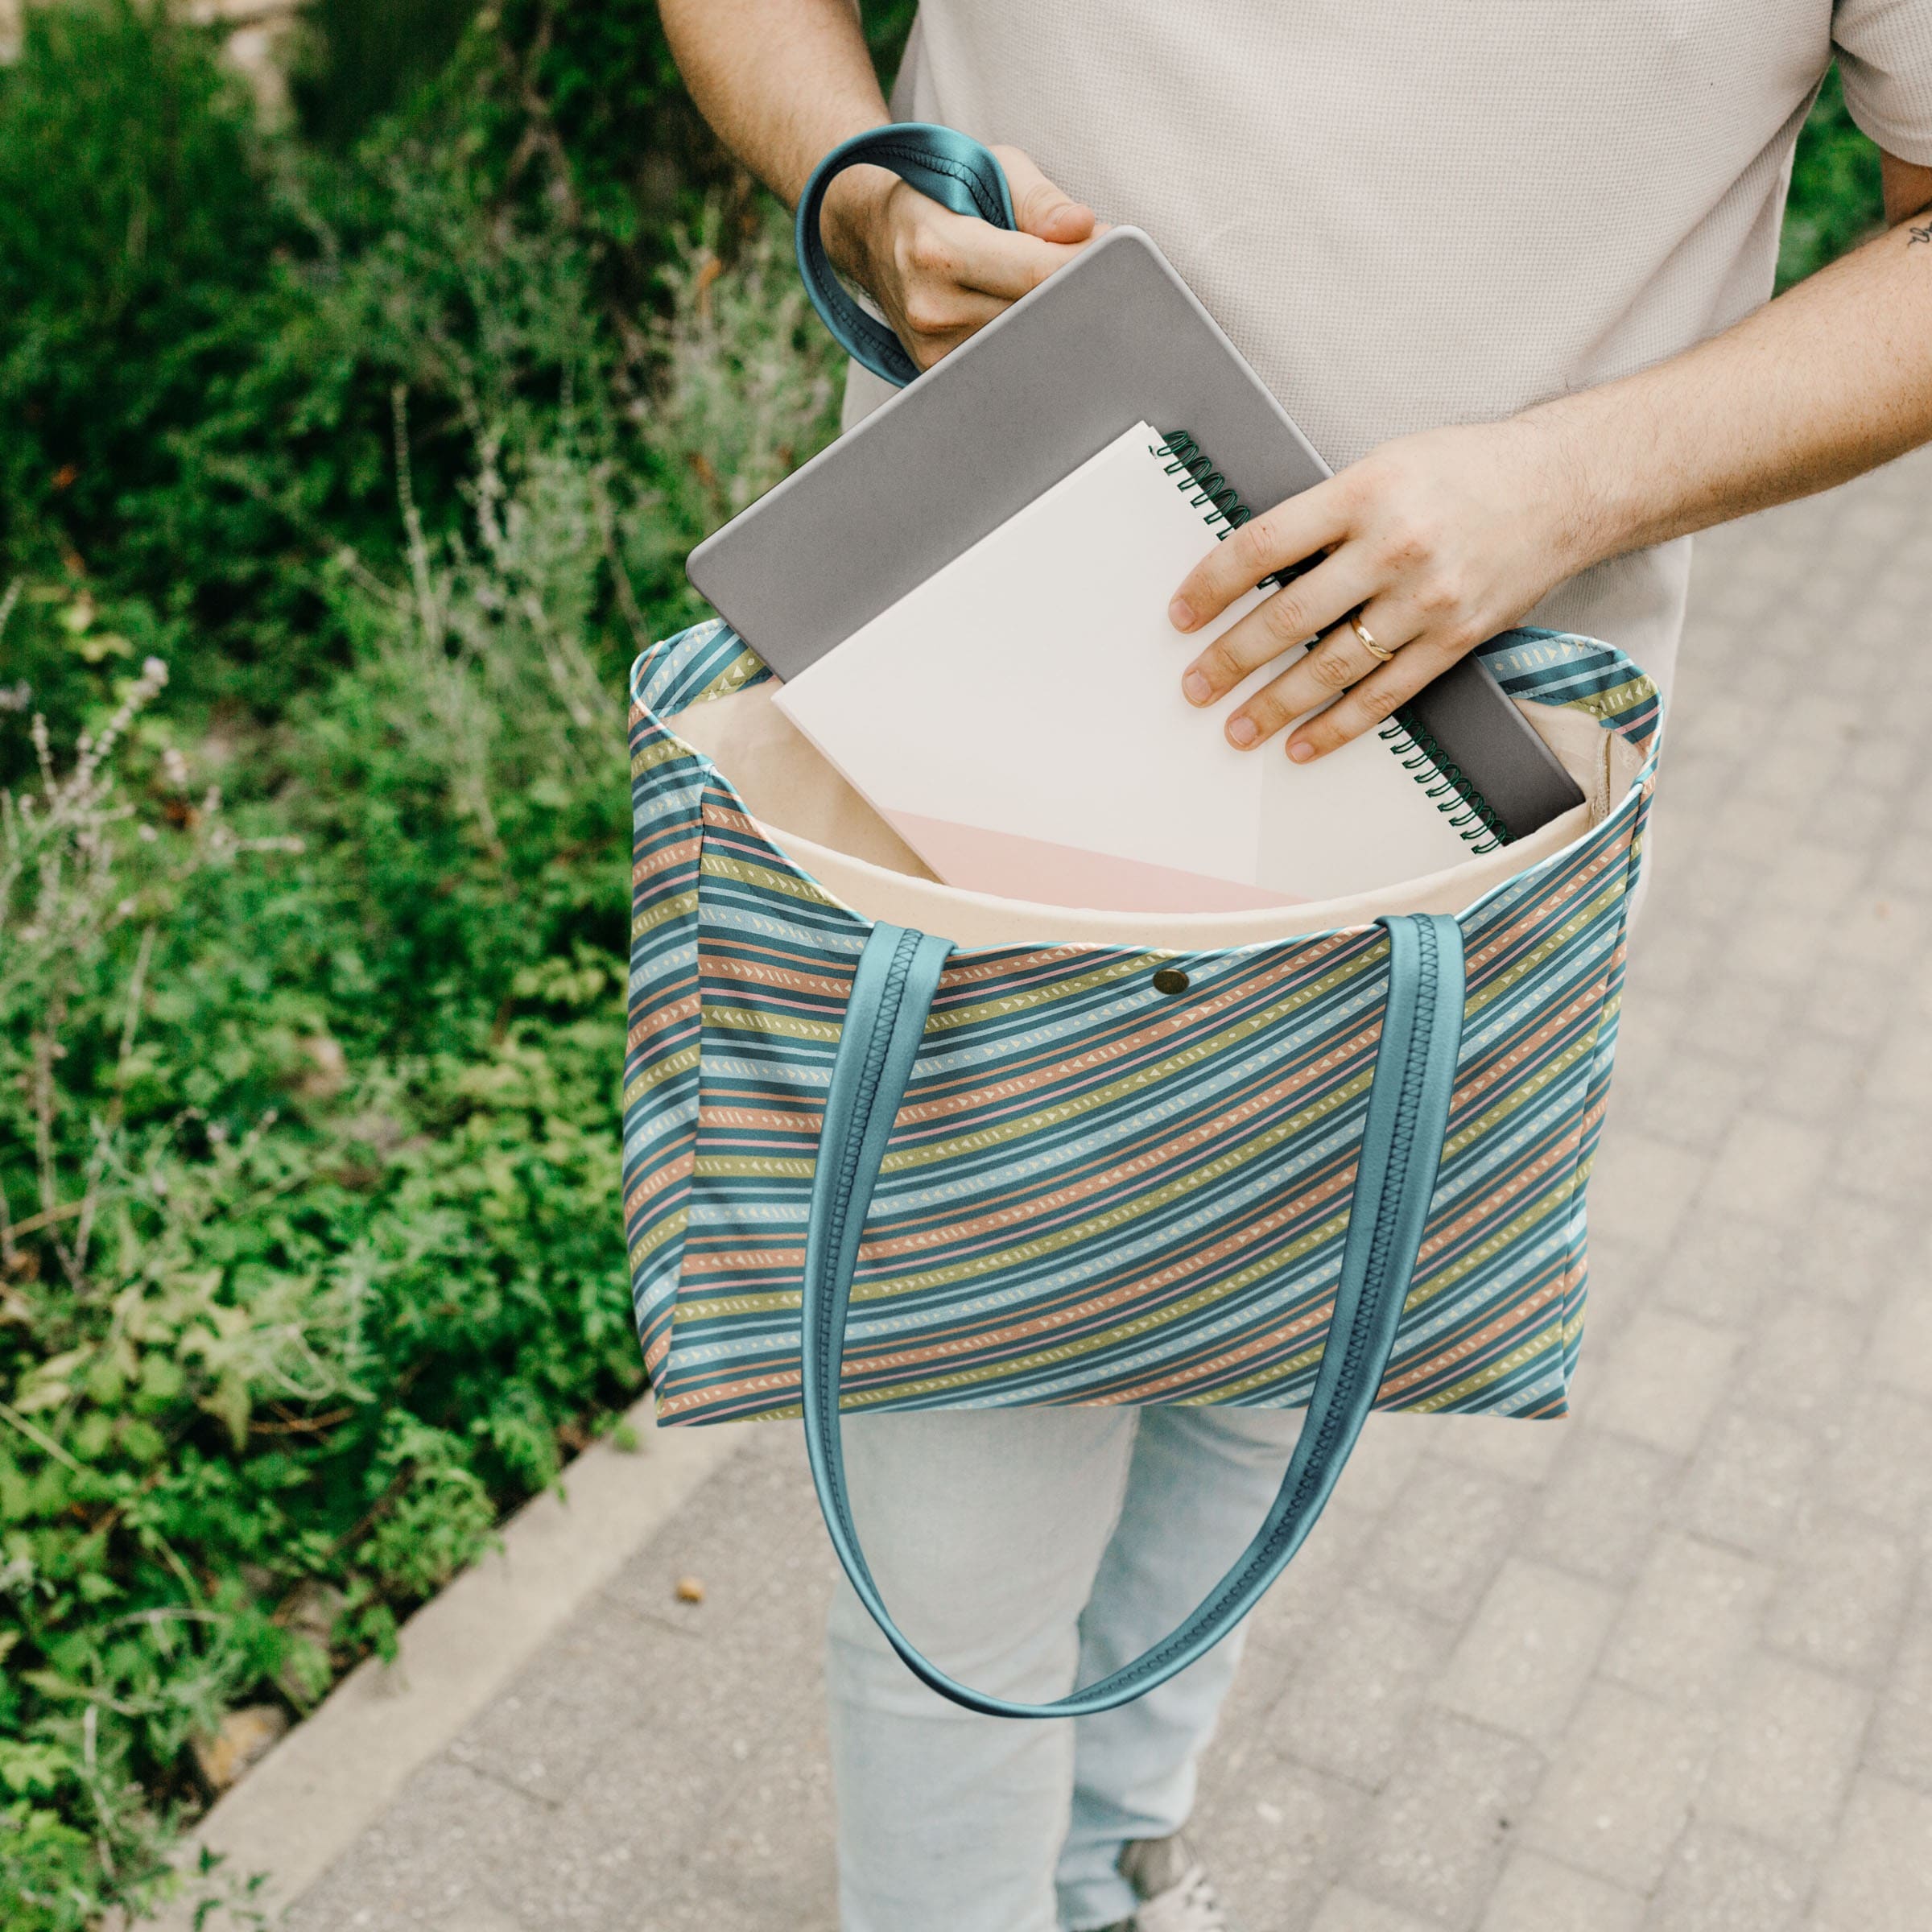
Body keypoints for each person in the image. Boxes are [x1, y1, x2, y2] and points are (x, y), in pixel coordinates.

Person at [658, 6, 1932, 1928]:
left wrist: (1554, 490)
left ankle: (1104, 1870)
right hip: (987, 703)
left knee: (1259, 1418)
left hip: (1463, 804)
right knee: (954, 1554)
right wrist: (855, 184)